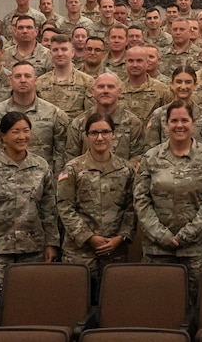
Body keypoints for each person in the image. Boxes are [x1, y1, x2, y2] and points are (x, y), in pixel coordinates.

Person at [134, 100, 202, 300]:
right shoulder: (151, 158)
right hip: (157, 251)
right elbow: (141, 200)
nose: (179, 125)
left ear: (193, 123)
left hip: (198, 251)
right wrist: (161, 235)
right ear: (166, 124)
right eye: (174, 121)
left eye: (184, 120)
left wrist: (187, 234)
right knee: (156, 308)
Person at [0, 111, 61, 288]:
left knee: (30, 298)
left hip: (33, 249)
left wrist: (52, 243)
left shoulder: (41, 166)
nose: (22, 136)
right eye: (15, 131)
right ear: (3, 136)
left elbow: (49, 209)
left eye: (26, 131)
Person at [57, 112, 135, 280]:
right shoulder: (73, 168)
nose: (100, 138)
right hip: (80, 253)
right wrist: (88, 237)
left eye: (105, 132)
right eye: (94, 133)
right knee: (77, 302)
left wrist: (121, 237)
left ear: (113, 134)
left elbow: (131, 208)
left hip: (115, 251)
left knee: (113, 302)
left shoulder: (126, 169)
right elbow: (64, 206)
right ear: (86, 136)